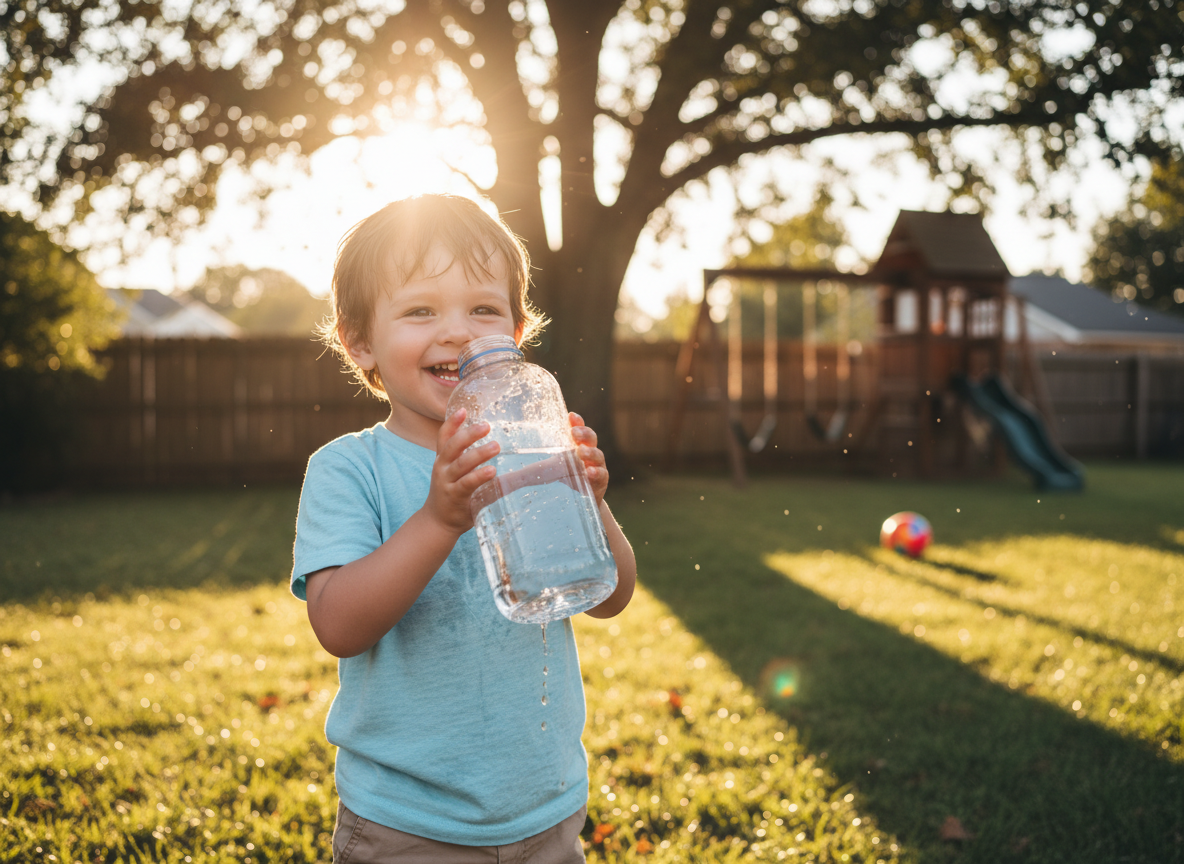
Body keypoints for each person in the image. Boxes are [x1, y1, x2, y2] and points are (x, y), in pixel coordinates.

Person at [292, 194, 637, 863]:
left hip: (547, 807)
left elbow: (611, 596)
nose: (457, 331)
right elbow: (338, 624)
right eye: (420, 310)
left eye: (484, 308)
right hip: (408, 824)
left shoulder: (534, 450)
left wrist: (592, 506)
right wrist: (438, 518)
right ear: (358, 339)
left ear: (516, 328)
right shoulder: (349, 468)